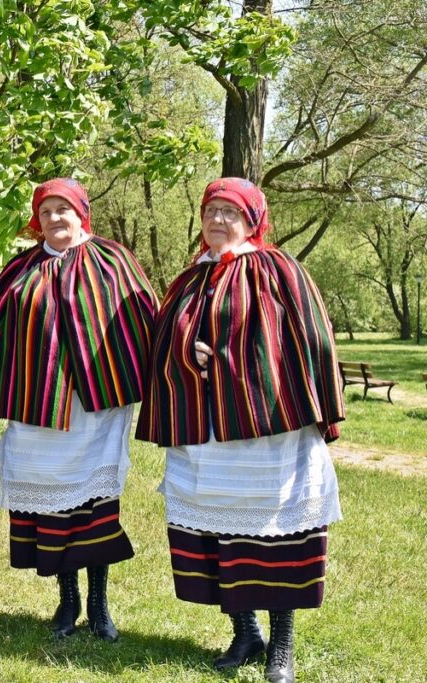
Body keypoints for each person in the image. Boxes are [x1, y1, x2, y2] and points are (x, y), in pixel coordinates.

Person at [136, 178, 344, 683]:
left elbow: (311, 336)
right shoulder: (188, 279)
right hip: (205, 434)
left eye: (230, 212)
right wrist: (188, 350)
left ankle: (282, 645)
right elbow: (163, 341)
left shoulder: (279, 270)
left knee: (272, 534)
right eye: (212, 211)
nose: (218, 221)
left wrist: (320, 408)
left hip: (267, 430)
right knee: (218, 533)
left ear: (253, 221)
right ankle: (245, 631)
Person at [0, 178, 156, 639]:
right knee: (52, 506)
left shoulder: (113, 259)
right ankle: (66, 599)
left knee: (95, 504)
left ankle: (99, 604)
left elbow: (146, 317)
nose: (56, 218)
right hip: (40, 407)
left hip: (97, 405)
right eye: (47, 210)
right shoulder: (22, 269)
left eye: (63, 209)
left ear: (82, 213)